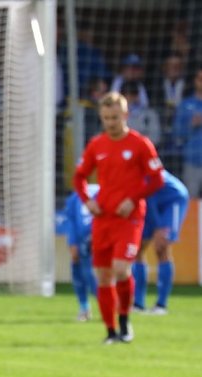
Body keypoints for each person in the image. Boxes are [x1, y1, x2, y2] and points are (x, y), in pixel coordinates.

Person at [73, 91, 165, 344]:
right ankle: (111, 332)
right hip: (103, 217)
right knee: (103, 276)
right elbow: (79, 176)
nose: (110, 123)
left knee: (121, 269)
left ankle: (125, 321)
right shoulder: (96, 144)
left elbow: (157, 178)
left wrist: (133, 199)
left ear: (125, 115)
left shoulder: (140, 144)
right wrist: (88, 200)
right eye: (106, 118)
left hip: (130, 217)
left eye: (114, 117)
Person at [131, 170, 189, 314]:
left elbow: (150, 197)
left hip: (173, 200)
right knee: (137, 250)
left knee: (161, 247)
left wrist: (158, 227)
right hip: (151, 205)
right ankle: (138, 304)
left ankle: (161, 305)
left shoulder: (143, 171)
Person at [59, 185, 99, 321]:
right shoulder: (74, 198)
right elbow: (71, 221)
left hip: (99, 238)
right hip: (81, 240)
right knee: (77, 269)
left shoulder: (102, 192)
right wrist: (72, 242)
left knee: (95, 275)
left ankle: (109, 308)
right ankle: (84, 308)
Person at [172, 67, 202, 197]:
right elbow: (177, 133)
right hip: (193, 161)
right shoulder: (185, 104)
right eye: (201, 79)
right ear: (195, 81)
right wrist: (192, 124)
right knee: (191, 199)